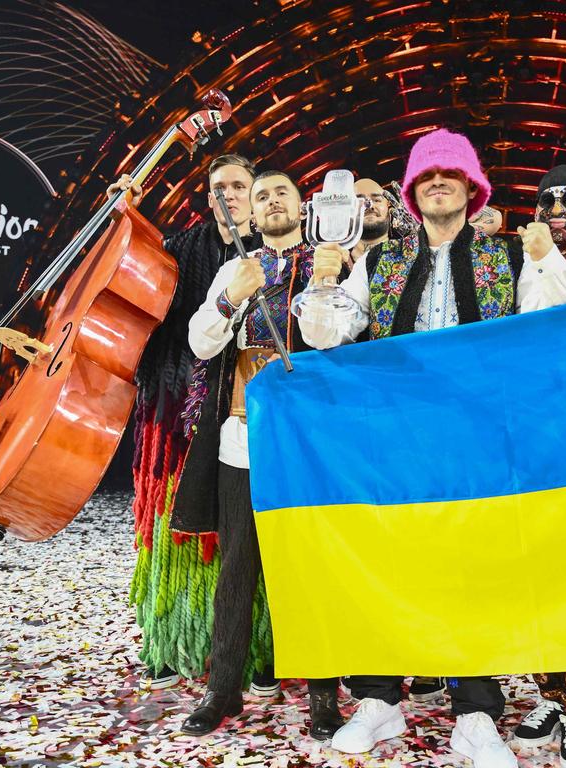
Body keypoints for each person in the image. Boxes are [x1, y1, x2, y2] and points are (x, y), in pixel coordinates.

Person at [301, 128, 566, 768]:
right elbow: (325, 336)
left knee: (472, 570)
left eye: (449, 173)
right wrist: (322, 283)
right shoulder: (383, 261)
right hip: (391, 444)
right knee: (384, 560)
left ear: (473, 186)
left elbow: (556, 327)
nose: (437, 181)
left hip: (478, 446)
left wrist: (544, 261)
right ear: (411, 192)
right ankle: (378, 699)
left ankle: (476, 712)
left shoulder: (509, 255)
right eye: (426, 175)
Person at [172, 171, 343, 740]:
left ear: (304, 206)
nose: (271, 202)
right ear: (252, 209)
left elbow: (330, 338)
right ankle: (223, 691)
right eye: (262, 194)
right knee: (237, 571)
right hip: (242, 435)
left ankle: (322, 695)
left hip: (307, 444)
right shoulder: (234, 268)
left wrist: (321, 285)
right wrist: (230, 297)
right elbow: (200, 342)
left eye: (282, 194)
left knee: (310, 571)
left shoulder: (331, 261)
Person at [108, 155, 269, 692]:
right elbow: (121, 272)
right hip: (176, 408)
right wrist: (120, 218)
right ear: (207, 197)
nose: (229, 194)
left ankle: (255, 650)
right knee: (172, 532)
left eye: (240, 185)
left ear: (256, 192)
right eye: (219, 186)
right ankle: (171, 644)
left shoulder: (278, 254)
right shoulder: (173, 252)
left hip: (246, 412)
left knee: (248, 535)